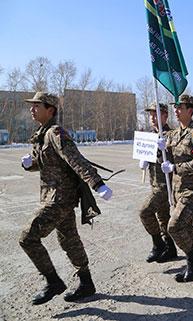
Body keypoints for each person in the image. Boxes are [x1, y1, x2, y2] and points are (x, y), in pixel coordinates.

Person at [19, 92, 113, 305]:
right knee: (69, 240)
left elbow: (75, 160)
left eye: (36, 106)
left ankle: (53, 282)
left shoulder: (56, 133)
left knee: (28, 237)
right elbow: (45, 162)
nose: (32, 109)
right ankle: (86, 283)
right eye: (31, 106)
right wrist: (30, 164)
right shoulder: (42, 134)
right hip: (52, 196)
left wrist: (97, 184)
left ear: (50, 109)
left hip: (59, 198)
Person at [157, 94, 193, 282]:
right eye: (175, 108)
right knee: (187, 226)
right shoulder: (173, 134)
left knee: (175, 226)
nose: (176, 111)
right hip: (177, 189)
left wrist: (175, 168)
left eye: (180, 107)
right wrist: (159, 150)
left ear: (190, 110)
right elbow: (164, 159)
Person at [138, 103, 177, 264]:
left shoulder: (171, 135)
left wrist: (164, 151)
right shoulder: (149, 135)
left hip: (165, 185)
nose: (153, 118)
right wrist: (144, 159)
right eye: (151, 115)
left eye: (156, 114)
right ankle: (170, 248)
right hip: (154, 182)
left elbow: (176, 158)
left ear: (165, 116)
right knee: (163, 218)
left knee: (145, 212)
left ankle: (158, 245)